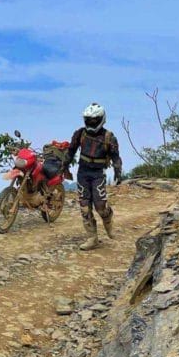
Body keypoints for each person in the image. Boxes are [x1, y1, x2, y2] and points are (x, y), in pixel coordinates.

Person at [66, 102, 123, 251]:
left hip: (98, 174)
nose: (91, 122)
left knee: (100, 206)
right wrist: (64, 166)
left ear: (101, 119)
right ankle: (92, 238)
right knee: (84, 207)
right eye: (88, 119)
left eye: (94, 120)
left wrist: (118, 172)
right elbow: (70, 151)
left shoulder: (109, 137)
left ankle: (108, 221)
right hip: (83, 173)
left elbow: (116, 157)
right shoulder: (80, 133)